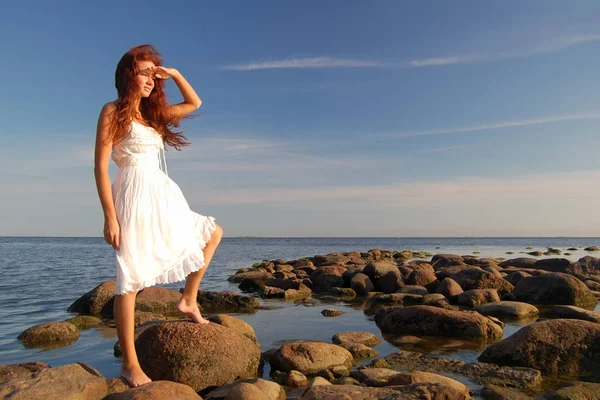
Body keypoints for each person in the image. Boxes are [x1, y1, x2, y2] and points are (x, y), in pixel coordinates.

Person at [93, 44, 223, 387]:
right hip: (133, 194)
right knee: (130, 278)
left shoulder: (153, 115)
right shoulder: (112, 111)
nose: (151, 80)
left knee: (212, 233)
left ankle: (188, 299)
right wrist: (110, 216)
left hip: (163, 192)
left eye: (155, 74)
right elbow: (99, 167)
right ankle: (130, 365)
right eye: (144, 73)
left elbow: (195, 103)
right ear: (127, 75)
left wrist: (176, 74)